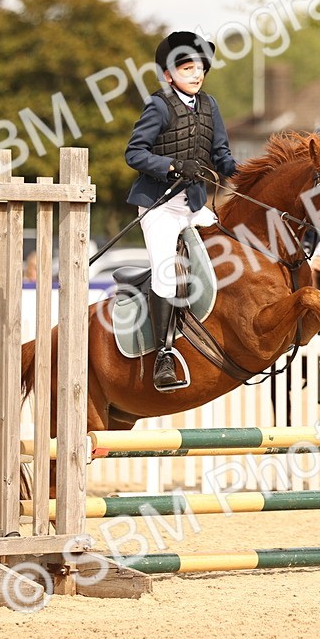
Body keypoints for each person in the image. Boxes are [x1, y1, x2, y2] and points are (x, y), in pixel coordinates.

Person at [124, 31, 238, 391]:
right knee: (165, 275)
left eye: (200, 67)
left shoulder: (210, 105)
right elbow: (134, 153)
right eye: (187, 67)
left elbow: (221, 152)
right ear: (168, 75)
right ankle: (164, 354)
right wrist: (173, 166)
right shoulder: (158, 105)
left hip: (193, 204)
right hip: (159, 205)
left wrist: (242, 172)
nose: (196, 73)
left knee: (229, 241)